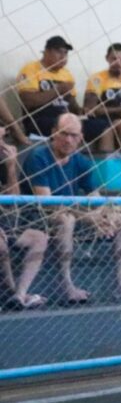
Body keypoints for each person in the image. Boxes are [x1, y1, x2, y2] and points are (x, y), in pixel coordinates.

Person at [22, 113, 121, 303]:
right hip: (34, 215)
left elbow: (94, 196)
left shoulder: (81, 161)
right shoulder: (39, 157)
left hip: (70, 212)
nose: (68, 140)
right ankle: (65, 285)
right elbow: (46, 203)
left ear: (81, 138)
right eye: (64, 134)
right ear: (53, 133)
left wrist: (102, 216)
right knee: (66, 219)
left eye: (74, 136)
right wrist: (89, 217)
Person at [1, 129, 48, 309]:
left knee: (39, 237)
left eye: (4, 138)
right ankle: (13, 293)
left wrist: (12, 166)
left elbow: (13, 201)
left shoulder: (4, 160)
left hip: (5, 224)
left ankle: (20, 295)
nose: (3, 143)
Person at [82, 43, 121, 156]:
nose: (118, 63)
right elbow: (91, 110)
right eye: (114, 59)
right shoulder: (97, 79)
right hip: (104, 121)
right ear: (107, 58)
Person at [17, 35, 83, 138]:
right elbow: (28, 102)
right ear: (47, 52)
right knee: (70, 128)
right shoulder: (31, 69)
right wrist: (59, 89)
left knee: (99, 126)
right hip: (38, 120)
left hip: (63, 119)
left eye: (66, 53)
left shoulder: (67, 74)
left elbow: (72, 104)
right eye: (59, 52)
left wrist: (80, 110)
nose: (63, 57)